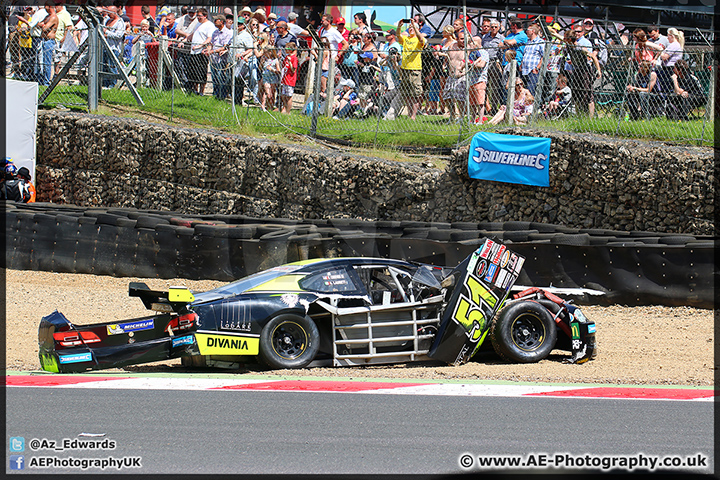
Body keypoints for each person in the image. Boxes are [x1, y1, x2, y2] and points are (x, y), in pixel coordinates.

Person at [396, 17, 427, 121]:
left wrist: (415, 26)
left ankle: (413, 116)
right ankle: (409, 115)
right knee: (407, 94)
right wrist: (399, 26)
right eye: (409, 27)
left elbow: (421, 39)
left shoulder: (419, 39)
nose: (410, 29)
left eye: (412, 28)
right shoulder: (406, 39)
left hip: (415, 69)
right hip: (405, 68)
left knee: (415, 94)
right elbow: (398, 36)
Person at [188, 8, 215, 95]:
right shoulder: (198, 24)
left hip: (202, 52)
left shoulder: (209, 25)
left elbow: (209, 38)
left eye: (200, 16)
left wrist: (200, 45)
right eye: (197, 16)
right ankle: (195, 90)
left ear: (205, 16)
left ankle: (201, 91)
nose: (198, 18)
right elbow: (192, 34)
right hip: (194, 52)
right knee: (193, 72)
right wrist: (185, 39)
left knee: (202, 72)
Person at [443, 30, 468, 122]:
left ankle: (461, 117)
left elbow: (470, 59)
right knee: (446, 96)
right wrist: (444, 64)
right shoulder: (452, 46)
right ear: (457, 39)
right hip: (450, 76)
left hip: (461, 76)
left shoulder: (467, 48)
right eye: (461, 39)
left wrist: (464, 65)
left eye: (465, 39)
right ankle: (453, 116)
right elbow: (447, 57)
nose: (463, 41)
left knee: (460, 98)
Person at [482, 19, 505, 115]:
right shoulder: (485, 37)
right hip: (485, 62)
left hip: (495, 62)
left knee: (495, 86)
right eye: (492, 27)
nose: (494, 29)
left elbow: (502, 52)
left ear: (499, 28)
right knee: (484, 86)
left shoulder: (501, 38)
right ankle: (485, 107)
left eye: (496, 27)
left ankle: (495, 107)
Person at [232, 17, 255, 105]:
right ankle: (234, 100)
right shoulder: (235, 34)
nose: (237, 25)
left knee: (239, 82)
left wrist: (241, 54)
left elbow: (250, 49)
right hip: (233, 61)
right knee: (232, 81)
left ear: (243, 25)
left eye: (240, 24)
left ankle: (238, 101)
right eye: (237, 24)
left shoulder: (246, 35)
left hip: (241, 62)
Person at [467, 36, 490, 123]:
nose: (470, 44)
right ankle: (472, 120)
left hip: (479, 80)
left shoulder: (483, 53)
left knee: (480, 102)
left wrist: (471, 65)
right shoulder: (472, 53)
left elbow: (481, 65)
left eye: (471, 43)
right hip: (471, 80)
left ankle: (480, 121)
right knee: (472, 103)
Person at [209, 15, 231, 101]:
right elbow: (211, 44)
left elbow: (225, 47)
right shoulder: (215, 32)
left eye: (216, 20)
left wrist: (213, 51)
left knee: (220, 77)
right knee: (214, 77)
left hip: (221, 59)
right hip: (213, 59)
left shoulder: (227, 33)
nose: (214, 22)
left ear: (222, 21)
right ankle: (215, 94)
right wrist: (208, 50)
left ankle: (222, 95)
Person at [520, 23, 543, 95]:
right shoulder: (528, 42)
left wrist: (537, 68)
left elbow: (544, 56)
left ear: (533, 31)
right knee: (523, 91)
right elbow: (525, 54)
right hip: (524, 71)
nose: (526, 31)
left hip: (532, 71)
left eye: (528, 30)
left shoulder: (540, 42)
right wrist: (521, 65)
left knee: (530, 91)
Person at [53, 1, 73, 76]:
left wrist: (64, 38)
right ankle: (56, 73)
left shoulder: (65, 14)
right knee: (55, 58)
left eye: (57, 5)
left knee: (58, 58)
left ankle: (57, 74)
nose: (55, 6)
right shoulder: (56, 14)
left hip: (61, 39)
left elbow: (69, 27)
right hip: (55, 38)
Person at [259, 46, 281, 111]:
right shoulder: (264, 59)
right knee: (267, 93)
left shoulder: (275, 60)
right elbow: (260, 68)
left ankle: (270, 107)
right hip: (266, 78)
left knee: (271, 94)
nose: (264, 54)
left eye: (265, 52)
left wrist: (272, 70)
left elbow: (278, 71)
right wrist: (262, 63)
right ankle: (263, 106)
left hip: (273, 78)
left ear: (270, 52)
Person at [280, 42, 298, 114]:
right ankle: (284, 107)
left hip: (290, 80)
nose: (285, 50)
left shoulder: (294, 58)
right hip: (284, 79)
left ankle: (288, 111)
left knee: (289, 96)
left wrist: (290, 62)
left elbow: (293, 70)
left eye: (287, 48)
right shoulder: (286, 57)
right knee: (283, 95)